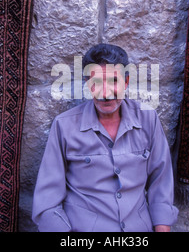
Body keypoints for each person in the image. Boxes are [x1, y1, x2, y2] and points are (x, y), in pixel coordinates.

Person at [32, 44, 178, 232]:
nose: (106, 92)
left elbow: (161, 184)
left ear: (126, 82)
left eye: (114, 81)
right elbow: (47, 201)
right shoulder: (64, 126)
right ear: (87, 83)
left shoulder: (148, 119)